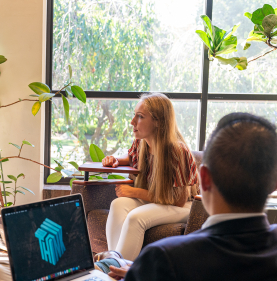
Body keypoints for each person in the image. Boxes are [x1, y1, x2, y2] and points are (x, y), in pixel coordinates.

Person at [108, 112, 277, 280]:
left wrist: (140, 274)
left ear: (203, 178)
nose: (133, 122)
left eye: (140, 116)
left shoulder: (163, 260)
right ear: (274, 185)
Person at [102, 93, 199, 260]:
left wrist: (135, 192)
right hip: (158, 200)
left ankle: (121, 272)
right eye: (134, 115)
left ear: (158, 122)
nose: (132, 122)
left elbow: (178, 200)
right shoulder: (142, 143)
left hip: (185, 206)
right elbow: (131, 157)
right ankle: (113, 265)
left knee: (136, 218)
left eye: (140, 117)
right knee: (118, 204)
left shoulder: (177, 151)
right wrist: (114, 160)